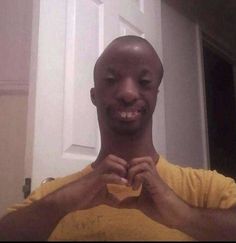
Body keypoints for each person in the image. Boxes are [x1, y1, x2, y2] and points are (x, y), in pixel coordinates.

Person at [0, 35, 236, 241]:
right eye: (111, 80)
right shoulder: (53, 193)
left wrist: (184, 215)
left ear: (155, 95)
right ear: (94, 95)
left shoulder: (205, 189)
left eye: (144, 82)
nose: (128, 93)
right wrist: (60, 204)